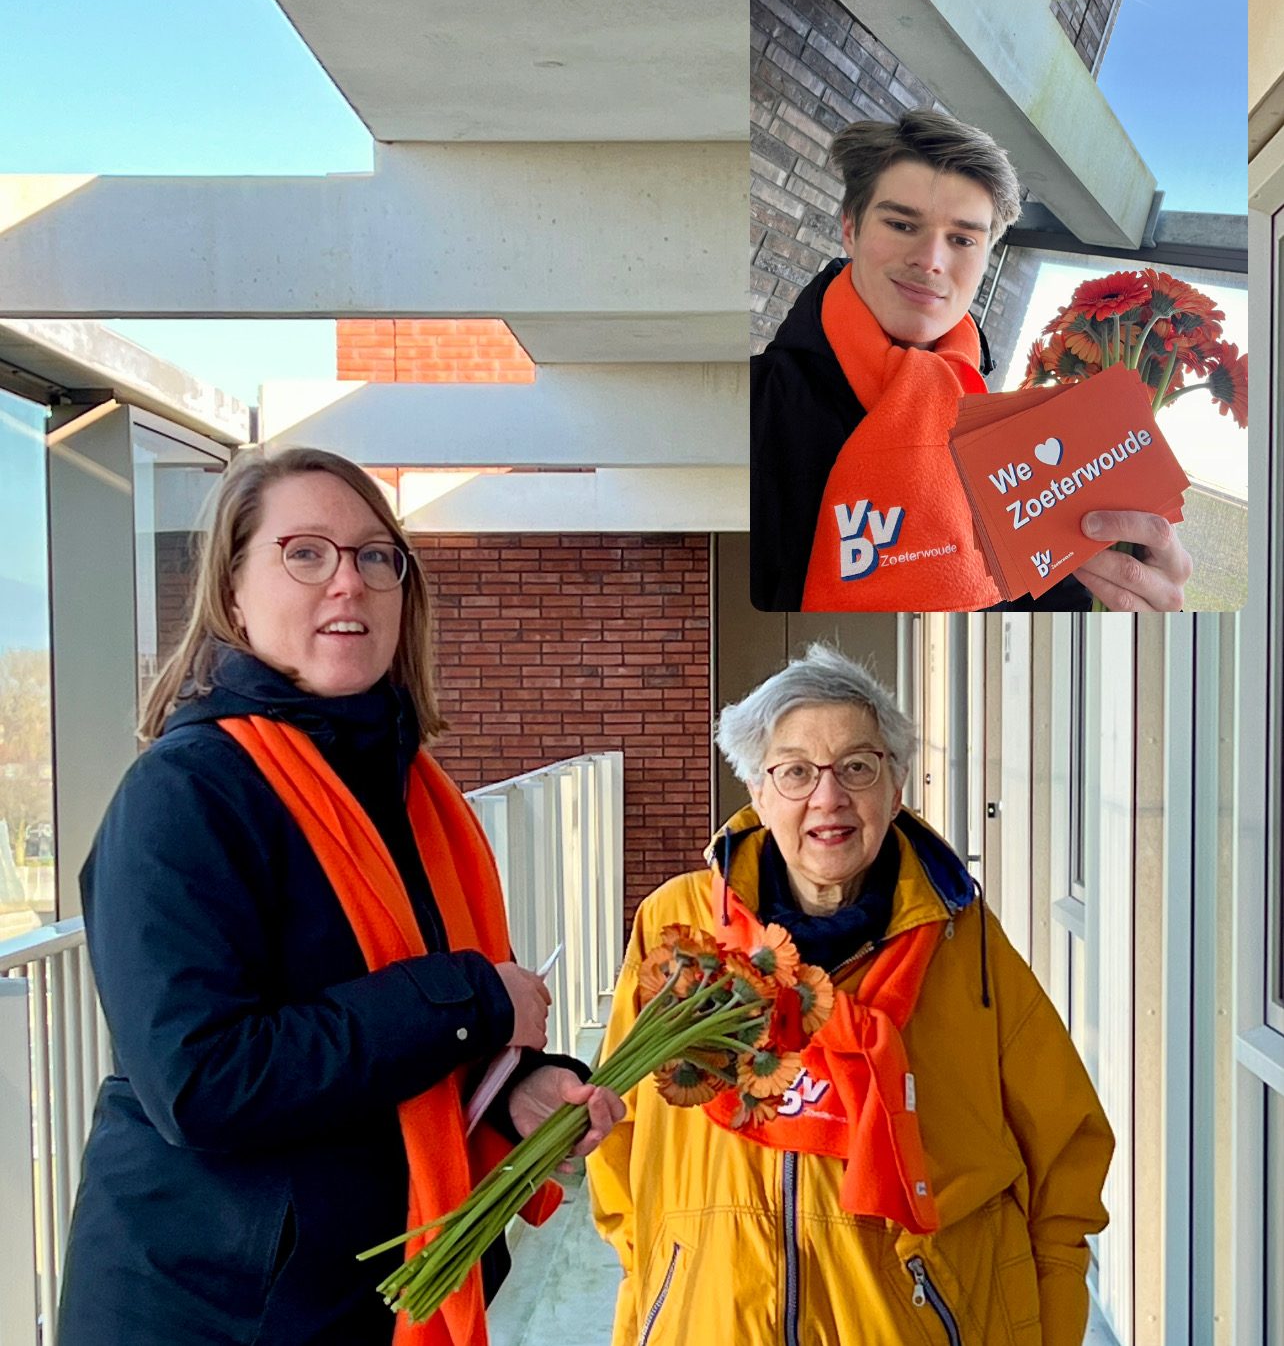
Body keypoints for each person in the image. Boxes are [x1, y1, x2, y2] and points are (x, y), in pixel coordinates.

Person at [59, 446, 624, 1346]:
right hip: (216, 1313)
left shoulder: (409, 793)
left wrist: (515, 1086)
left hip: (356, 1295)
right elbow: (202, 1079)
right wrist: (468, 1001)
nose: (348, 581)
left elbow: (406, 1037)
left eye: (374, 555)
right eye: (306, 553)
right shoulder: (184, 792)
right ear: (233, 592)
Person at [587, 643, 1113, 1346]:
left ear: (895, 789)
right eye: (796, 771)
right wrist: (663, 1281)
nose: (827, 797)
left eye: (857, 767)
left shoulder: (962, 938)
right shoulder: (678, 928)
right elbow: (617, 1129)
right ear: (758, 792)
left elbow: (1065, 1149)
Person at [750, 108, 1193, 613]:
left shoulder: (1017, 443)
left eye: (963, 239)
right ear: (850, 229)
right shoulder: (747, 409)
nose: (930, 260)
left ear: (985, 258)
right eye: (901, 224)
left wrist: (1127, 602)